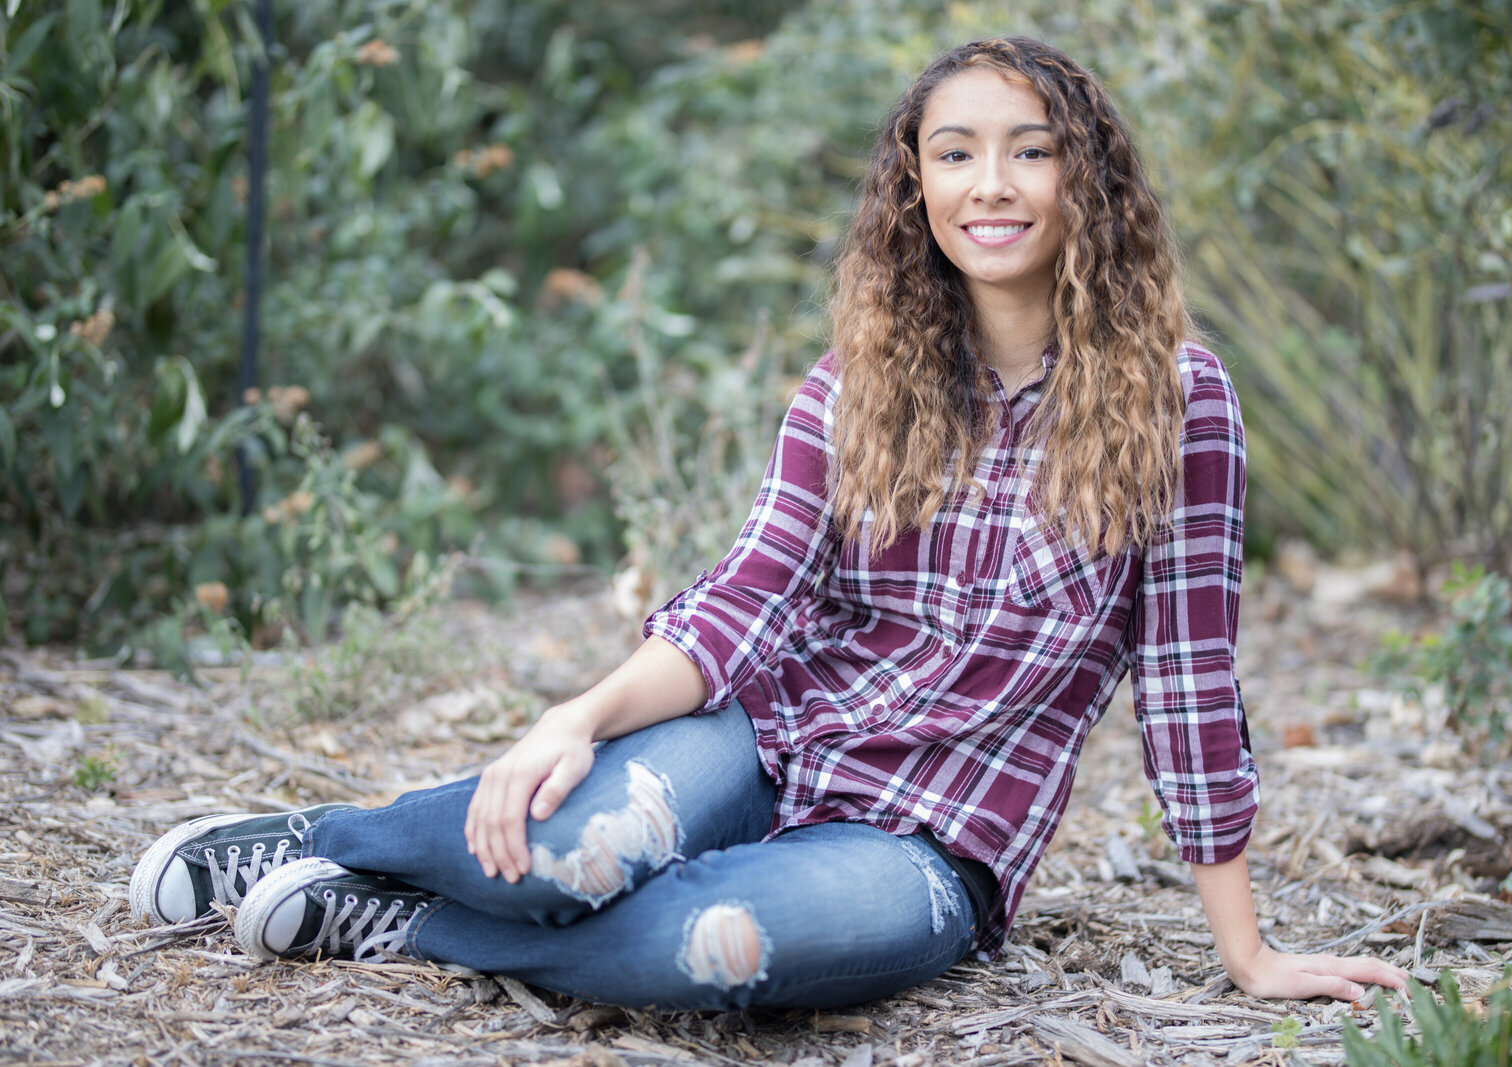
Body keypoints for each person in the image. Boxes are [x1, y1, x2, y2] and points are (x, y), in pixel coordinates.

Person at [130, 35, 1408, 1010]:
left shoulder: (1178, 399)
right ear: (915, 183)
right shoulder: (859, 384)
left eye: (1030, 148)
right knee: (570, 850)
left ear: (1088, 176)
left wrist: (1248, 950)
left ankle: (404, 921)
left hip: (931, 839)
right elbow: (748, 592)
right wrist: (575, 714)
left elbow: (1186, 673)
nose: (991, 184)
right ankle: (330, 842)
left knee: (714, 940)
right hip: (767, 737)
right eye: (954, 151)